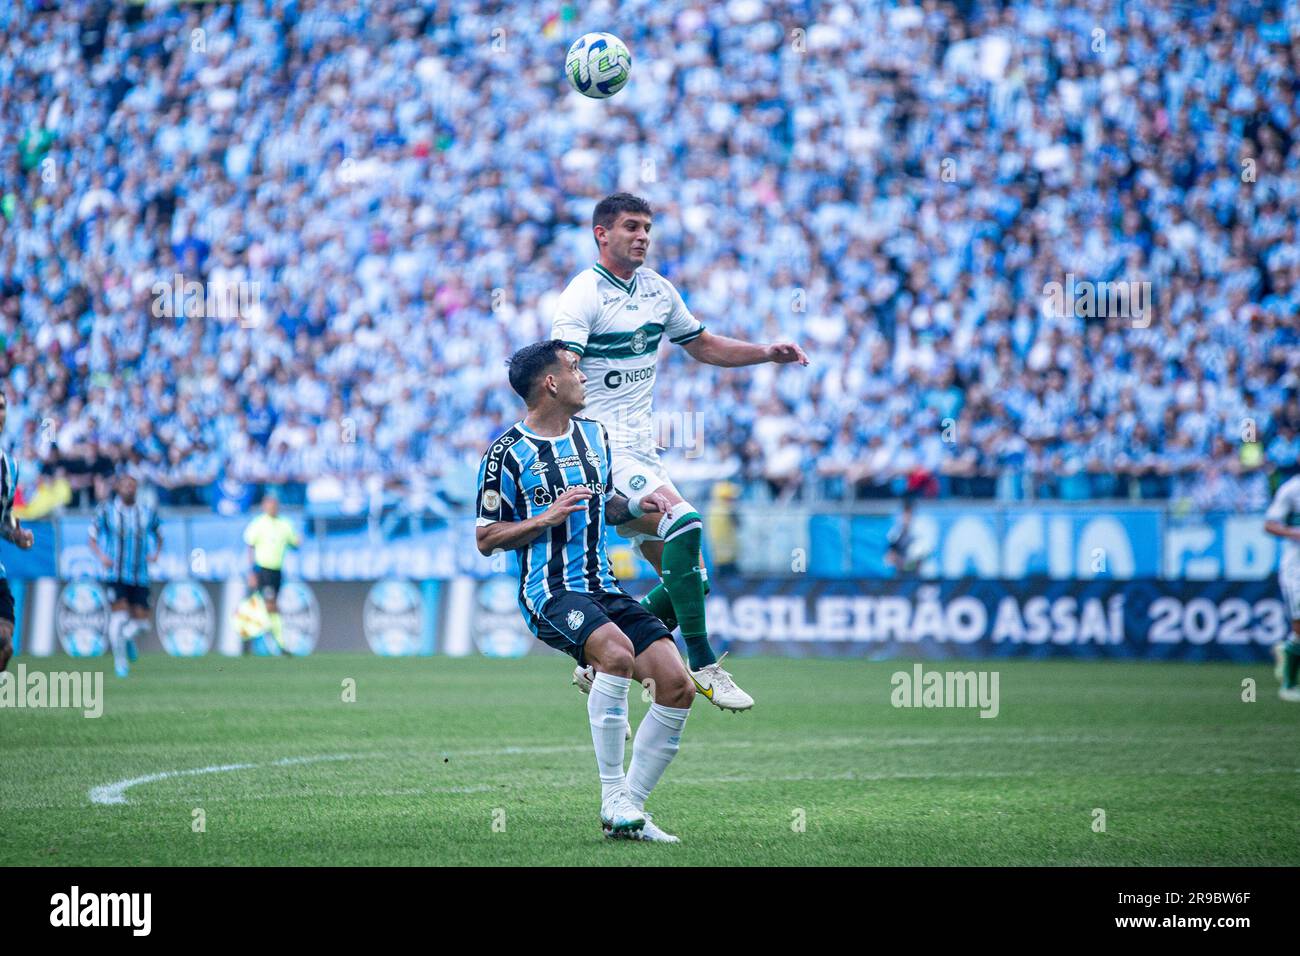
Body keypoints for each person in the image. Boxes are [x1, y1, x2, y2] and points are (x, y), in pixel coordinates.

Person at [551, 193, 809, 711]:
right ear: (602, 234)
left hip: (641, 451)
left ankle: (598, 660)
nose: (642, 235)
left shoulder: (658, 291)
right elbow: (560, 369)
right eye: (631, 226)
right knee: (686, 523)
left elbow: (703, 344)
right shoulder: (583, 295)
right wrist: (569, 448)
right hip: (600, 448)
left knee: (690, 577)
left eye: (647, 226)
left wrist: (765, 353)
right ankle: (705, 662)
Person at [475, 340, 695, 842]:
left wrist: (646, 505)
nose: (583, 375)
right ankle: (612, 794)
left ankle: (629, 811)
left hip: (604, 587)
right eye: (575, 368)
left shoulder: (595, 436)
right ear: (550, 383)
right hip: (548, 591)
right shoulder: (506, 453)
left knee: (677, 685)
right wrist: (546, 518)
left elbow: (610, 508)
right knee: (615, 653)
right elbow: (486, 538)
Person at [88, 474, 162, 677]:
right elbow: (92, 537)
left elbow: (159, 533)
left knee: (143, 624)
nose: (129, 488)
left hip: (140, 575)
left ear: (137, 488)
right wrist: (101, 556)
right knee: (119, 618)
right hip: (116, 574)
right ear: (118, 488)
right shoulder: (107, 511)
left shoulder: (146, 512)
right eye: (125, 485)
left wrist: (155, 553)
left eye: (133, 484)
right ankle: (120, 662)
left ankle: (127, 639)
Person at [0, 391, 34, 673]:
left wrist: (16, 535)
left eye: (1, 408)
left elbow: (4, 518)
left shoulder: (10, 467)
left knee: (4, 642)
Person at [242, 491, 300, 654]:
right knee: (270, 604)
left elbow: (294, 544)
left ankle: (250, 639)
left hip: (277, 571)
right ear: (264, 506)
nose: (272, 507)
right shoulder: (258, 524)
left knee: (268, 606)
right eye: (269, 504)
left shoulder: (285, 525)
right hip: (263, 570)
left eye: (274, 504)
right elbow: (250, 546)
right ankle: (280, 644)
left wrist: (298, 542)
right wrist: (252, 572)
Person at [1263, 465, 1300, 701]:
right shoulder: (1292, 489)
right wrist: (1294, 533)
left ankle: (1287, 649)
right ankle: (1288, 685)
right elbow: (1269, 524)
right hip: (1296, 568)